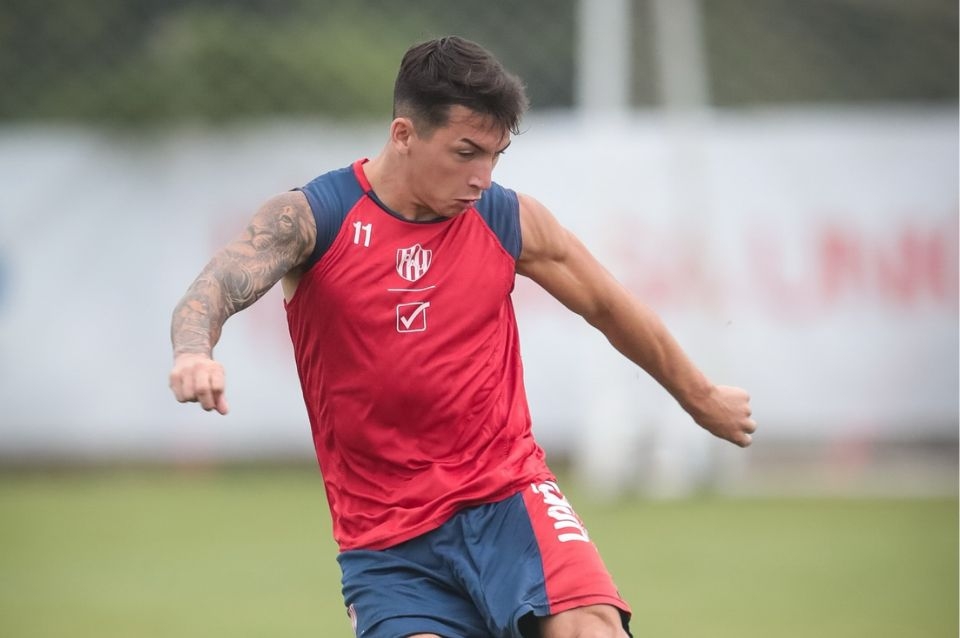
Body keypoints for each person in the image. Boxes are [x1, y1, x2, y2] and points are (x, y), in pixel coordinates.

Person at [169, 35, 756, 638]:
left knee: (592, 630)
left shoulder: (507, 218)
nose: (482, 177)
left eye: (496, 156)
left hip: (510, 498)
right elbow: (217, 284)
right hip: (387, 539)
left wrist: (700, 396)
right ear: (404, 134)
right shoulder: (316, 217)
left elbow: (609, 305)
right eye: (465, 152)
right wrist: (193, 351)